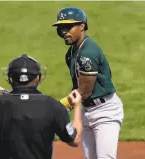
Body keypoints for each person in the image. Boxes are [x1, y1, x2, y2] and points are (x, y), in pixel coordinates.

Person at [0, 54, 83, 159]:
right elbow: (75, 140)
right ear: (38, 77)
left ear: (11, 78)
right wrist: (77, 106)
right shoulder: (53, 106)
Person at [52, 7, 124, 159]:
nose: (64, 31)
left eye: (68, 27)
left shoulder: (88, 52)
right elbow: (77, 86)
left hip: (105, 112)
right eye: (61, 27)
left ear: (82, 26)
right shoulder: (71, 52)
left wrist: (61, 105)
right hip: (86, 110)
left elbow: (85, 91)